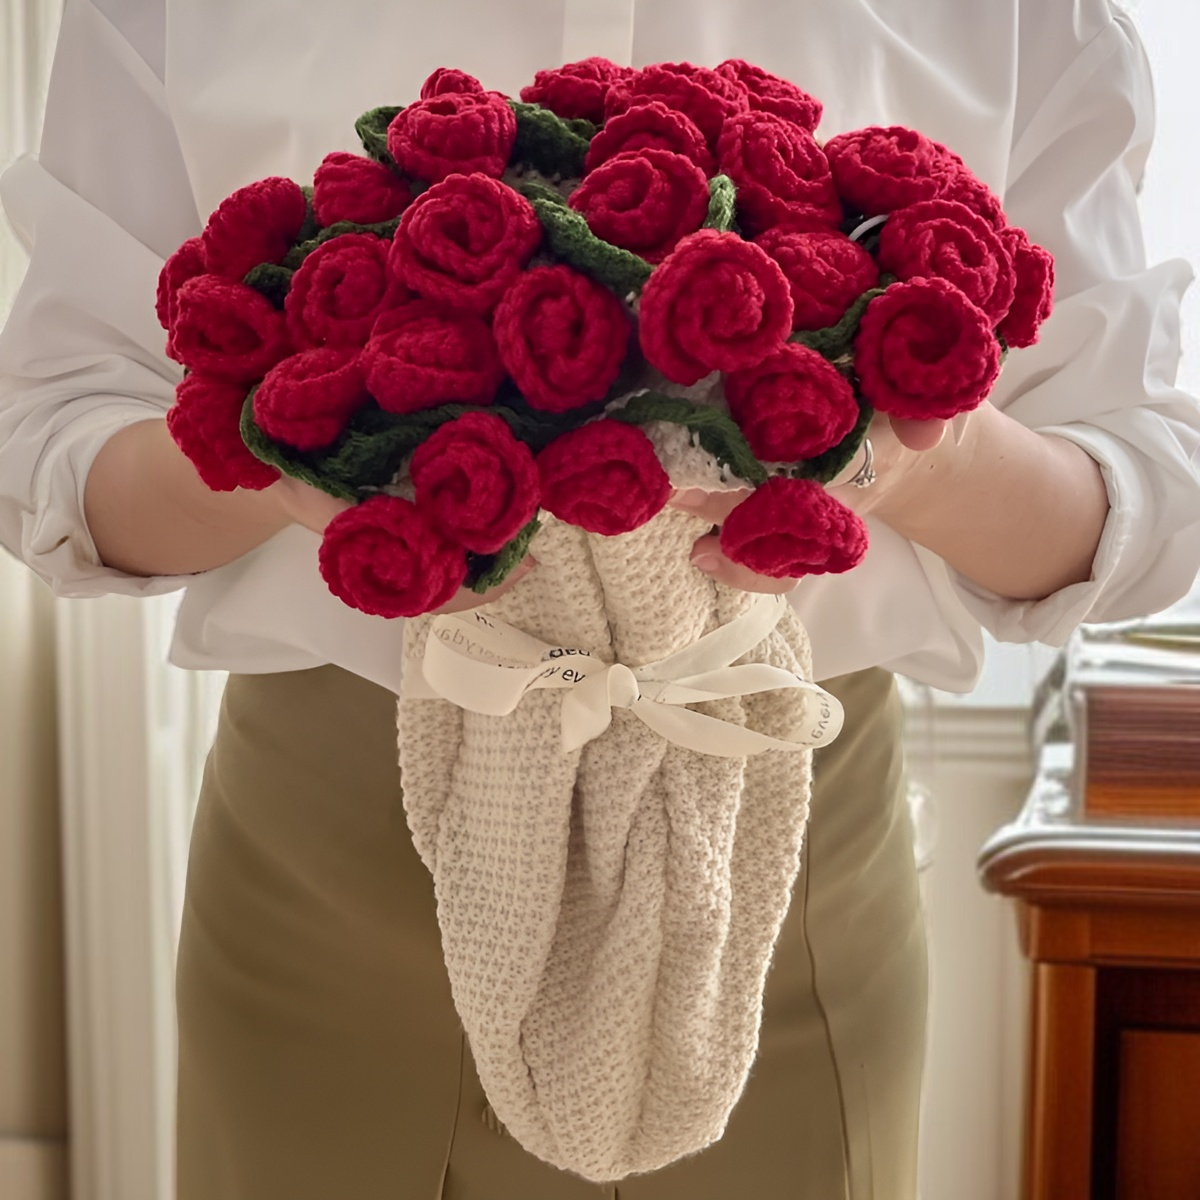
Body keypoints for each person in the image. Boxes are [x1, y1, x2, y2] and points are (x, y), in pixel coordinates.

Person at [1, 0, 1197, 1196]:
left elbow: (1138, 501)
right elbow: (52, 443)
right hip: (332, 881)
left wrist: (917, 457)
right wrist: (288, 440)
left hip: (783, 873)